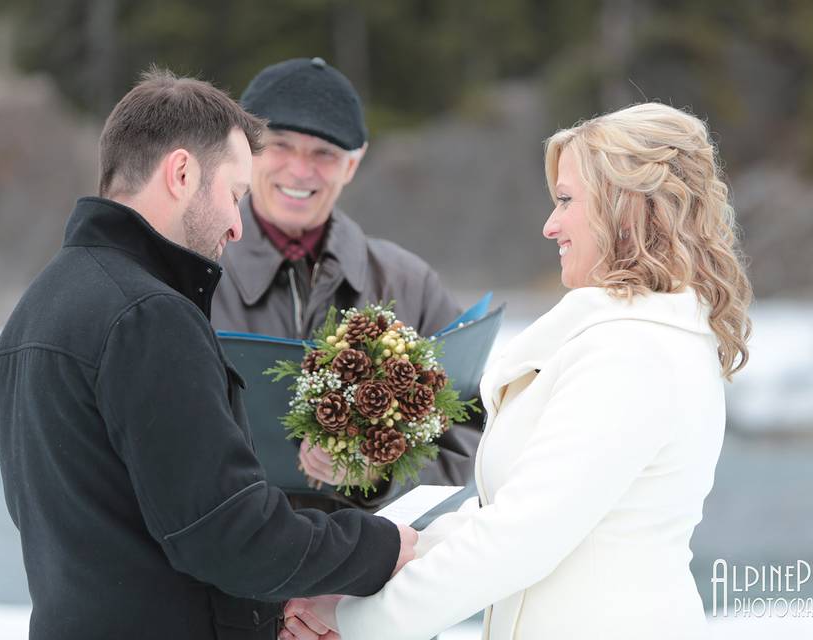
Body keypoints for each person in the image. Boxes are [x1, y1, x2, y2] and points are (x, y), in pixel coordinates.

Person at [282, 102, 754, 639]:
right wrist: (393, 555)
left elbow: (520, 538)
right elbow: (509, 516)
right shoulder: (632, 340)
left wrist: (356, 624)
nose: (550, 226)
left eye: (567, 201)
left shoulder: (631, 354)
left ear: (626, 210)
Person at [0, 67, 417, 640]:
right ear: (183, 173)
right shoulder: (148, 317)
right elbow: (230, 537)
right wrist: (380, 548)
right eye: (236, 194)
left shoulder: (35, 312)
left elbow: (121, 534)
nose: (238, 227)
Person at [211, 57, 481, 511]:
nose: (300, 171)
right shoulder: (195, 274)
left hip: (369, 574)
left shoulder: (409, 283)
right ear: (245, 151)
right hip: (227, 571)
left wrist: (379, 473)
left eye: (324, 153)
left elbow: (470, 447)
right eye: (280, 145)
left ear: (353, 165)